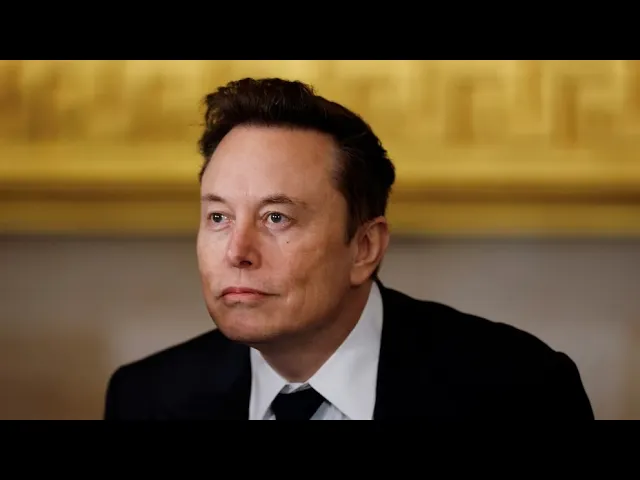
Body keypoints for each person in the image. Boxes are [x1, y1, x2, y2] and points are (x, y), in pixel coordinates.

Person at [103, 77, 594, 420]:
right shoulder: (146, 397)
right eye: (219, 217)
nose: (238, 251)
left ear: (364, 247)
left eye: (276, 217)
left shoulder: (520, 391)